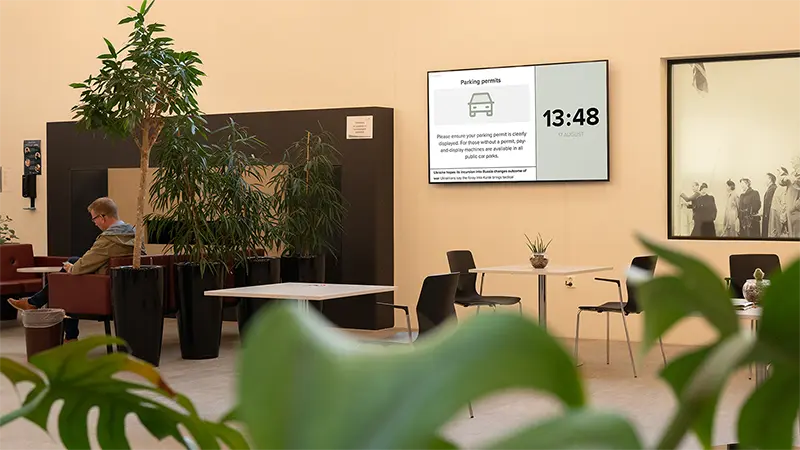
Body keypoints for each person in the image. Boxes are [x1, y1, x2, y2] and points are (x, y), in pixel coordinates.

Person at [7, 197, 142, 341]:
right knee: (71, 268)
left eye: (94, 218)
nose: (94, 223)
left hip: (100, 292)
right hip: (125, 290)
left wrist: (72, 268)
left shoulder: (108, 239)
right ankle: (34, 304)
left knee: (67, 281)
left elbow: (80, 268)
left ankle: (62, 329)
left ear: (103, 217)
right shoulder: (135, 235)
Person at [763, 173, 777, 237]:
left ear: (770, 179)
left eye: (766, 178)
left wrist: (766, 214)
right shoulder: (771, 188)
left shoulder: (772, 188)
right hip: (768, 214)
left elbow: (770, 203)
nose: (764, 180)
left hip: (769, 215)